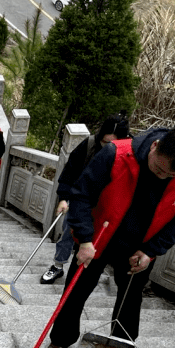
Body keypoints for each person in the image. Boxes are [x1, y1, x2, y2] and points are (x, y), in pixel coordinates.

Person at [48, 126, 175, 348]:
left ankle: (120, 347)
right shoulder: (116, 154)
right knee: (76, 291)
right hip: (98, 237)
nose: (162, 176)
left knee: (130, 299)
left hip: (142, 246)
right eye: (159, 168)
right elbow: (81, 194)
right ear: (155, 146)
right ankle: (60, 341)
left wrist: (151, 251)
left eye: (172, 175)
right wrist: (84, 239)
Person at [41, 113, 131, 284]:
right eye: (105, 143)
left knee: (98, 240)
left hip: (107, 206)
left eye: (113, 144)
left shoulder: (130, 153)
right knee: (68, 232)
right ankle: (58, 266)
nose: (108, 149)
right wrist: (63, 198)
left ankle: (87, 272)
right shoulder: (89, 145)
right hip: (80, 201)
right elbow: (69, 173)